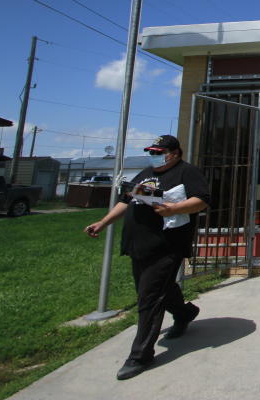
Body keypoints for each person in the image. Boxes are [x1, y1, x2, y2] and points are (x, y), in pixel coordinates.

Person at [83, 134, 211, 380]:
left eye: (158, 151)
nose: (154, 156)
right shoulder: (146, 174)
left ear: (174, 153)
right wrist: (103, 222)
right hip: (139, 244)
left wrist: (173, 209)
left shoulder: (187, 172)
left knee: (149, 298)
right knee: (156, 289)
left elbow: (201, 201)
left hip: (166, 245)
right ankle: (184, 313)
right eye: (152, 151)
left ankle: (139, 356)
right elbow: (126, 201)